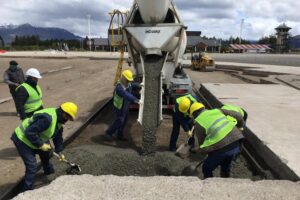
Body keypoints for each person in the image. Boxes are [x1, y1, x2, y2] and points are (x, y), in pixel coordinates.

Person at [11, 102, 78, 191]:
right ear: (63, 112)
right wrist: (41, 145)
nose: (68, 119)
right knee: (32, 166)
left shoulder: (60, 120)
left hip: (37, 137)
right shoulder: (47, 119)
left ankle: (49, 172)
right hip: (22, 139)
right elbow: (29, 132)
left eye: (70, 118)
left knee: (46, 154)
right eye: (68, 116)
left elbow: (58, 138)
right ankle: (26, 190)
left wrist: (59, 151)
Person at [189, 102, 245, 178]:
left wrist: (205, 152)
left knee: (206, 168)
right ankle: (225, 180)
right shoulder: (216, 111)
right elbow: (238, 115)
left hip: (221, 149)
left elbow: (202, 144)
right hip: (236, 143)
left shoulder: (198, 123)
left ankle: (210, 184)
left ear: (194, 114)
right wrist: (240, 127)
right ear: (203, 108)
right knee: (225, 164)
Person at [105, 69, 140, 141]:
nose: (129, 82)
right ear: (123, 78)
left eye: (129, 80)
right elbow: (126, 95)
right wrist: (136, 100)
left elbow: (132, 85)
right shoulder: (119, 88)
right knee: (120, 120)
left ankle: (120, 135)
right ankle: (108, 133)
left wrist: (140, 85)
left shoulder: (127, 83)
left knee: (124, 120)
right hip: (119, 107)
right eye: (127, 80)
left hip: (125, 106)